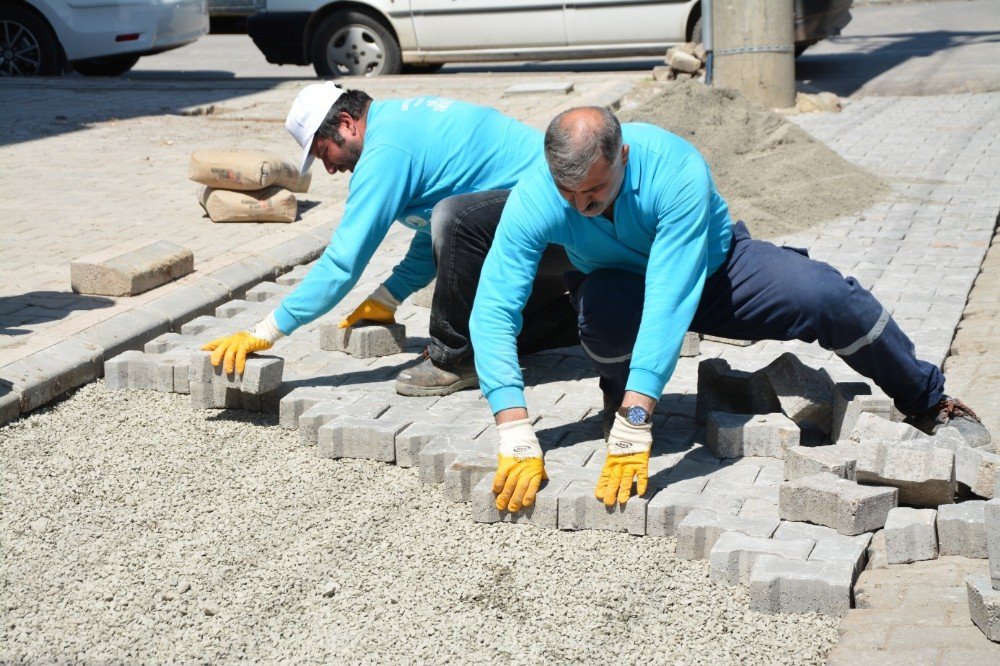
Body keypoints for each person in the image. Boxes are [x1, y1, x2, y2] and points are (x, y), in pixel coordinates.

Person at [469, 106, 989, 514]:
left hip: (718, 271)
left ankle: (929, 401)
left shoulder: (675, 169)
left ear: (622, 153)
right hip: (619, 286)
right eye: (569, 193)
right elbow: (493, 307)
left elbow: (670, 298)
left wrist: (639, 414)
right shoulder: (536, 197)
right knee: (602, 313)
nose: (581, 206)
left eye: (595, 190)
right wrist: (513, 425)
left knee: (832, 299)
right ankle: (617, 400)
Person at [202, 82, 578, 394]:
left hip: (563, 225)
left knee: (454, 218)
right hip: (561, 227)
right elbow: (433, 237)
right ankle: (589, 313)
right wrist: (387, 297)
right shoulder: (399, 122)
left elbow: (342, 263)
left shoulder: (385, 151)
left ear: (347, 123)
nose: (331, 168)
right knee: (496, 332)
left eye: (324, 153)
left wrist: (267, 330)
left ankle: (453, 360)